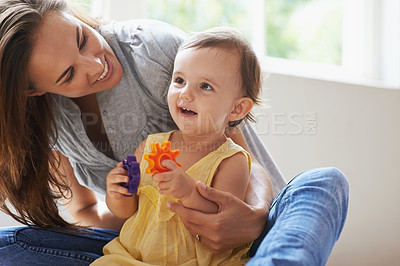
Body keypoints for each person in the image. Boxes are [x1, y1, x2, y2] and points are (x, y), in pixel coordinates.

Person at [0, 0, 349, 265]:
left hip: (244, 233)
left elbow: (243, 158)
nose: (95, 64)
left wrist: (253, 217)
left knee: (324, 184)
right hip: (141, 247)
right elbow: (88, 210)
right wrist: (127, 204)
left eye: (82, 38)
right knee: (10, 244)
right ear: (34, 90)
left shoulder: (152, 50)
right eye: (67, 75)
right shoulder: (49, 124)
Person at [92, 27, 261, 265]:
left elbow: (221, 220)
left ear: (237, 109)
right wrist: (118, 193)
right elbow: (127, 212)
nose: (186, 93)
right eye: (180, 80)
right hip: (134, 257)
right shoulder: (150, 146)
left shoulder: (232, 161)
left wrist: (189, 193)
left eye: (205, 86)